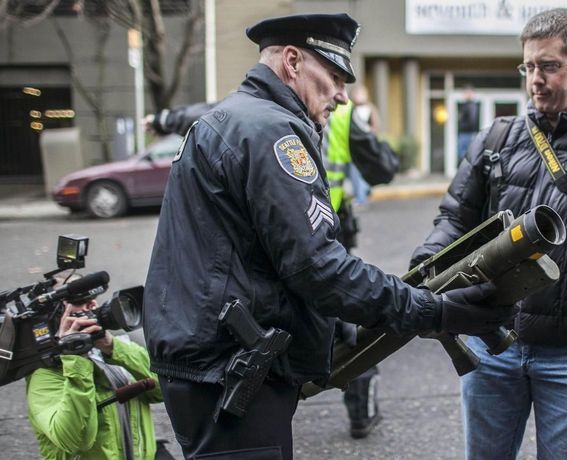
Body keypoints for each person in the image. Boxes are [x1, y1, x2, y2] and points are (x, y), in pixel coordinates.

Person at [143, 12, 513, 459]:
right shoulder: (272, 130)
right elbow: (316, 266)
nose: (342, 95)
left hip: (206, 360)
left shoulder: (233, 117)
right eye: (335, 76)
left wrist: (330, 320)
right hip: (227, 366)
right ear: (293, 62)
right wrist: (433, 311)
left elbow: (251, 254)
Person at [410, 8, 567, 460]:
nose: (535, 79)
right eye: (528, 66)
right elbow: (454, 219)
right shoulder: (496, 140)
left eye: (549, 66)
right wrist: (425, 266)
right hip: (490, 342)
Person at [145, 81, 398, 439]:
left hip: (278, 237)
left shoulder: (244, 113)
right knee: (346, 312)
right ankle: (360, 412)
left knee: (306, 303)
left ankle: (283, 392)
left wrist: (164, 118)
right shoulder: (343, 118)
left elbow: (207, 110)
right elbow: (383, 168)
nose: (339, 95)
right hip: (323, 234)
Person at [25, 272, 167, 460]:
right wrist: (76, 359)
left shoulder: (112, 349)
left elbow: (163, 389)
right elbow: (76, 440)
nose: (93, 305)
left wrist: (113, 348)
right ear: (56, 316)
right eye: (81, 301)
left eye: (93, 298)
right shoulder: (44, 376)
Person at [457, 84, 479, 162]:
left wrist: (471, 132)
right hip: (465, 133)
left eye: (467, 93)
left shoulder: (471, 106)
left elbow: (472, 121)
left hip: (467, 134)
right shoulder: (465, 105)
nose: (465, 94)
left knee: (465, 156)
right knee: (463, 155)